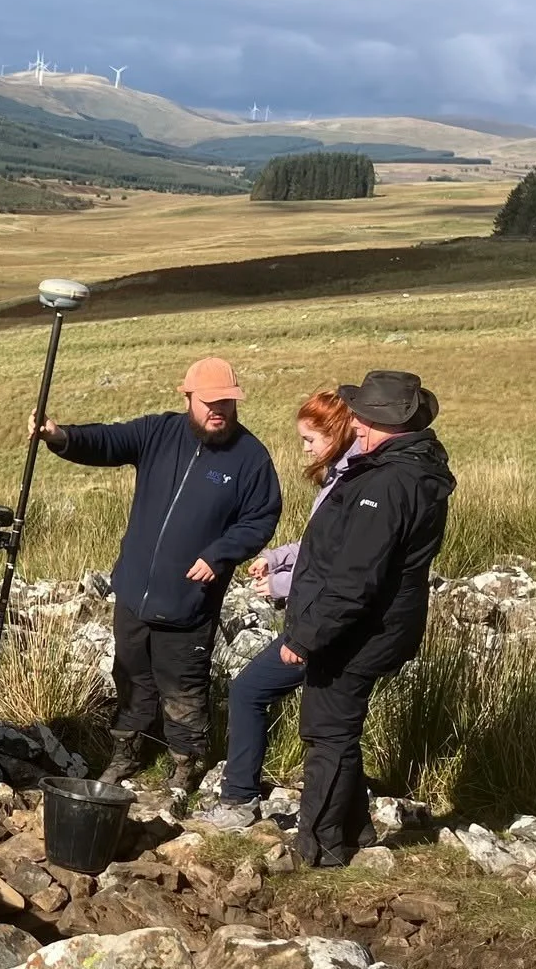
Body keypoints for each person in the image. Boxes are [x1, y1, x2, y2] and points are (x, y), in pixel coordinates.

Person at [39, 356, 281, 789]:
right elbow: (107, 441)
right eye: (209, 402)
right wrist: (61, 436)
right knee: (131, 678)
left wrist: (220, 554)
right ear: (187, 398)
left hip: (189, 603)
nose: (218, 410)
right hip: (134, 592)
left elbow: (261, 517)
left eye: (226, 401)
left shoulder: (251, 459)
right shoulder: (160, 432)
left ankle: (183, 769)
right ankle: (127, 754)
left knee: (184, 689)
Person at [279, 369, 455, 866]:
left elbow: (356, 578)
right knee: (336, 727)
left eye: (363, 417)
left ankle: (319, 847)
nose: (354, 424)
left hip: (361, 630)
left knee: (328, 732)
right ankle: (351, 833)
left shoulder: (391, 482)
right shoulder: (409, 469)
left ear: (385, 423)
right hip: (378, 624)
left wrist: (308, 635)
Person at [204, 389, 358, 829]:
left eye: (310, 439)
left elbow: (338, 569)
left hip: (322, 624)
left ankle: (239, 801)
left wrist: (280, 584)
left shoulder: (351, 486)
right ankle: (350, 821)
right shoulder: (342, 478)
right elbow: (318, 549)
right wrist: (277, 558)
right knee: (335, 725)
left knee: (251, 691)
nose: (305, 449)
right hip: (322, 620)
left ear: (338, 432)